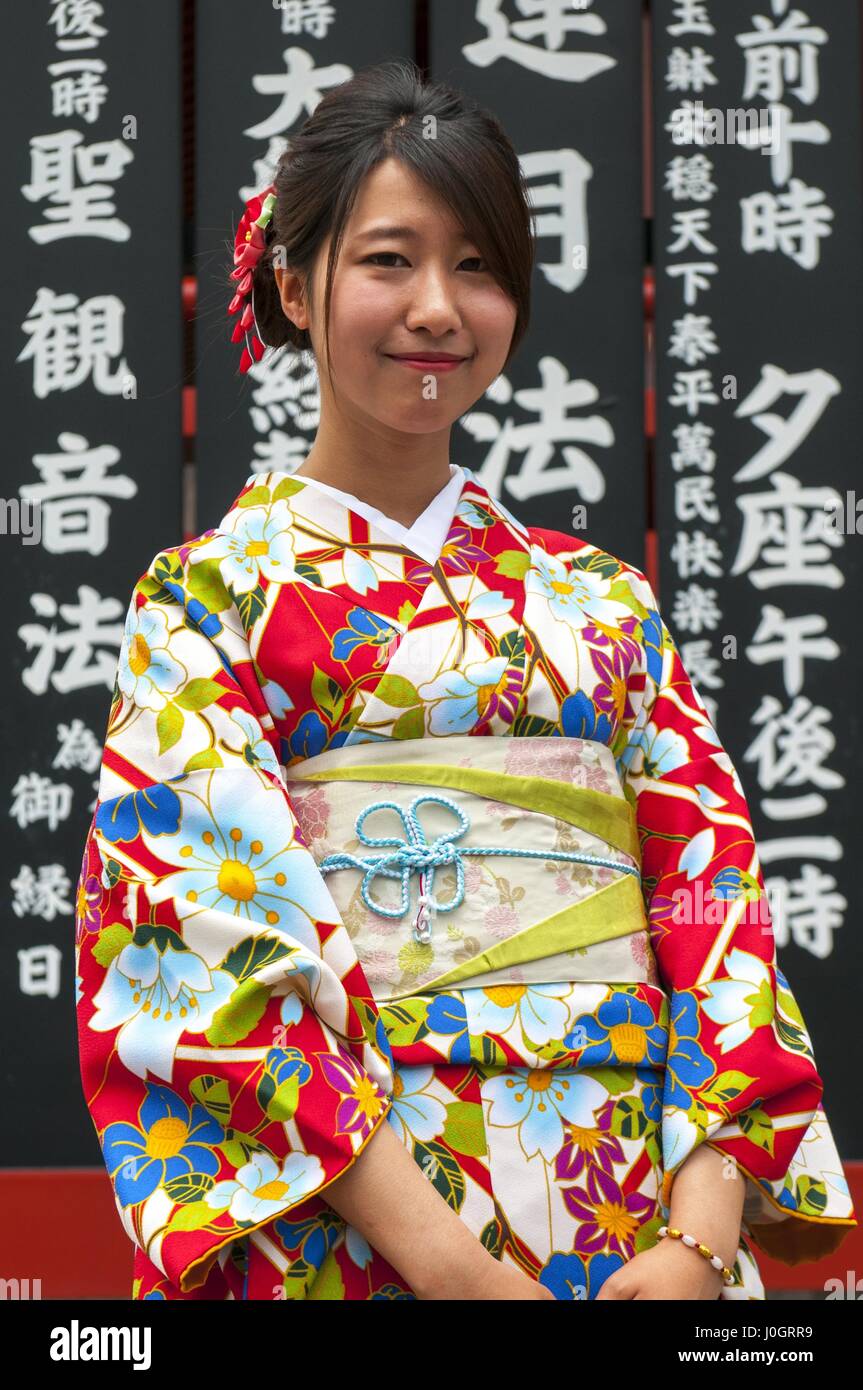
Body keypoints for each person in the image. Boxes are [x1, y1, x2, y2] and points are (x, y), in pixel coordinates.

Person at [74, 58, 855, 1302]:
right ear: (292, 280)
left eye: (478, 266)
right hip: (359, 1229)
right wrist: (451, 1269)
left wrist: (699, 1235)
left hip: (633, 1220)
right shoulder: (212, 597)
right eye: (389, 259)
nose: (438, 307)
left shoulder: (603, 601)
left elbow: (716, 918)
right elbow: (209, 952)